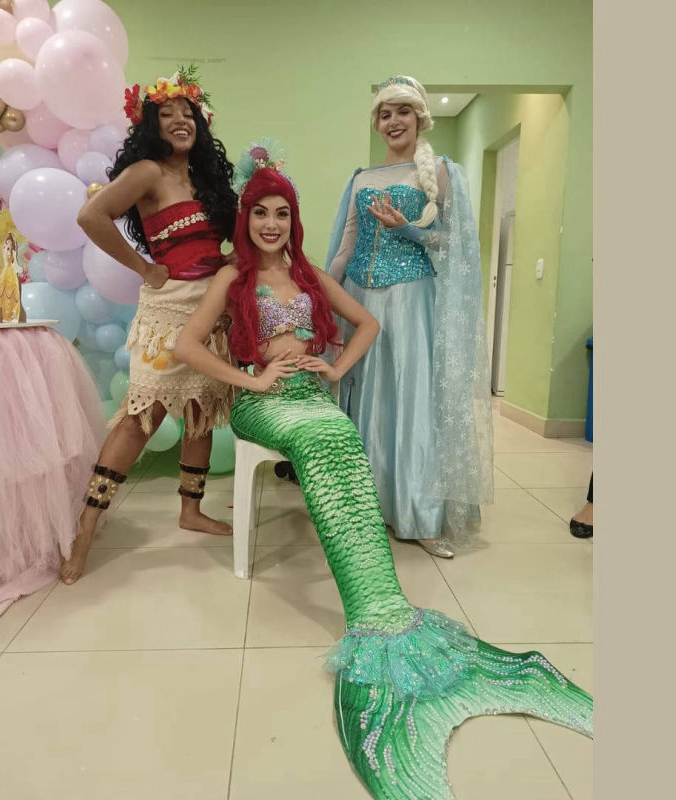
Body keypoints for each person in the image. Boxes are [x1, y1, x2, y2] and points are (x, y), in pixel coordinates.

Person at [175, 156, 592, 799]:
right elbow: (186, 346)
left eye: (281, 213)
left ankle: (380, 607)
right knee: (328, 437)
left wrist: (336, 368)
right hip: (265, 403)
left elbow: (369, 323)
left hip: (312, 397)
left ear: (293, 221)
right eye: (260, 213)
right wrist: (250, 383)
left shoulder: (309, 273)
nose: (271, 223)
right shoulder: (233, 276)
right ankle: (374, 613)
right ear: (246, 218)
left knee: (337, 435)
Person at [59, 67, 238, 585]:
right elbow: (91, 216)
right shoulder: (146, 172)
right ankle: (85, 529)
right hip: (167, 309)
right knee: (142, 417)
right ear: (151, 125)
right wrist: (143, 267)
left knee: (201, 410)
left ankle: (190, 510)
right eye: (168, 114)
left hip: (211, 309)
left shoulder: (205, 179)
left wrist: (229, 264)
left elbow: (216, 243)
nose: (181, 121)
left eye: (189, 114)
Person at [326, 75, 493, 558]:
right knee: (363, 396)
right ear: (376, 123)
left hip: (410, 300)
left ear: (420, 118)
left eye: (403, 111)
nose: (393, 121)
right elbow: (346, 248)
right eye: (385, 114)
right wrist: (321, 297)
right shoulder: (361, 178)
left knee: (409, 398)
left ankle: (418, 514)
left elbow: (454, 242)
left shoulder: (440, 171)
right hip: (360, 298)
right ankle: (364, 508)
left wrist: (410, 232)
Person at [0, 233, 25, 323]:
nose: (8, 244)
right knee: (0, 291)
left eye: (10, 242)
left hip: (11, 271)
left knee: (11, 292)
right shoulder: (5, 251)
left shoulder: (13, 252)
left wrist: (14, 255)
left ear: (12, 244)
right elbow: (5, 261)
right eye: (7, 242)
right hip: (5, 271)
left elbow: (15, 262)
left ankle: (11, 315)